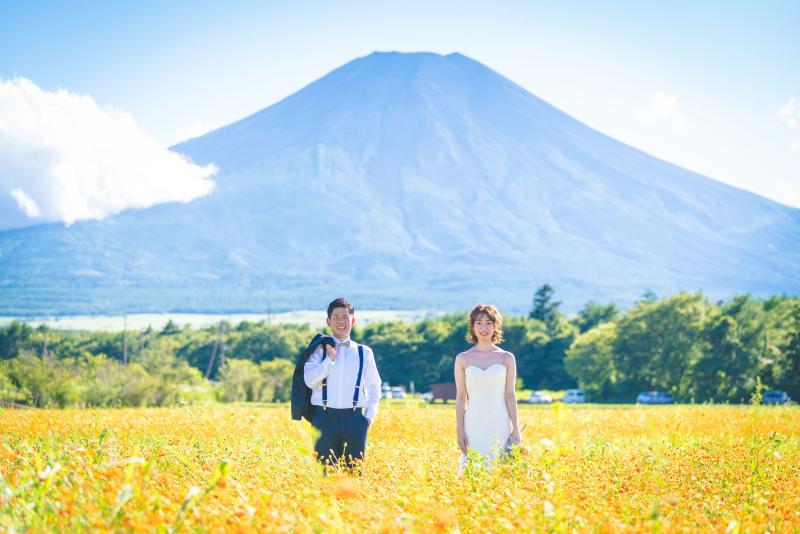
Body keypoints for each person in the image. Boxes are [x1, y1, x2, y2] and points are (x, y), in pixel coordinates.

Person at [304, 298, 382, 471]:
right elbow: (309, 381)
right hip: (323, 419)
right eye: (336, 317)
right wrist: (329, 360)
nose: (341, 321)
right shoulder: (318, 351)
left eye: (345, 317)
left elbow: (374, 386)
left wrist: (368, 417)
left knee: (353, 476)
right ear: (328, 321)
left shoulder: (364, 352)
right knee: (325, 474)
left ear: (352, 321)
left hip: (355, 420)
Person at [454, 304, 521, 471]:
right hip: (473, 424)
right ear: (472, 327)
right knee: (472, 471)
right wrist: (459, 430)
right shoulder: (463, 358)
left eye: (488, 323)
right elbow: (461, 397)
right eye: (479, 323)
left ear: (496, 326)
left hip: (500, 422)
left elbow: (510, 395)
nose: (483, 328)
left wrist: (515, 428)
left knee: (500, 471)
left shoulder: (507, 358)